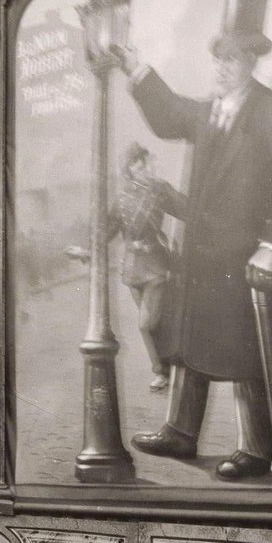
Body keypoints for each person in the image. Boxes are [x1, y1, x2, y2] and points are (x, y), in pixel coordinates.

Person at [111, 0, 272, 480]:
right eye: (219, 56)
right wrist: (136, 68)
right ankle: (182, 433)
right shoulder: (209, 111)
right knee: (191, 343)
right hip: (201, 258)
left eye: (233, 57)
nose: (222, 66)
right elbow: (167, 116)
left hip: (249, 259)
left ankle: (256, 447)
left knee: (249, 353)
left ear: (251, 60)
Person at [67, 143, 185, 391]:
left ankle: (161, 371)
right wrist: (88, 250)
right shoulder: (121, 199)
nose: (141, 167)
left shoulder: (159, 189)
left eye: (143, 162)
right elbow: (107, 231)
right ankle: (170, 367)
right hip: (133, 269)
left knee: (146, 324)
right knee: (156, 323)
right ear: (128, 169)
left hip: (156, 263)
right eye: (135, 163)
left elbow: (187, 210)